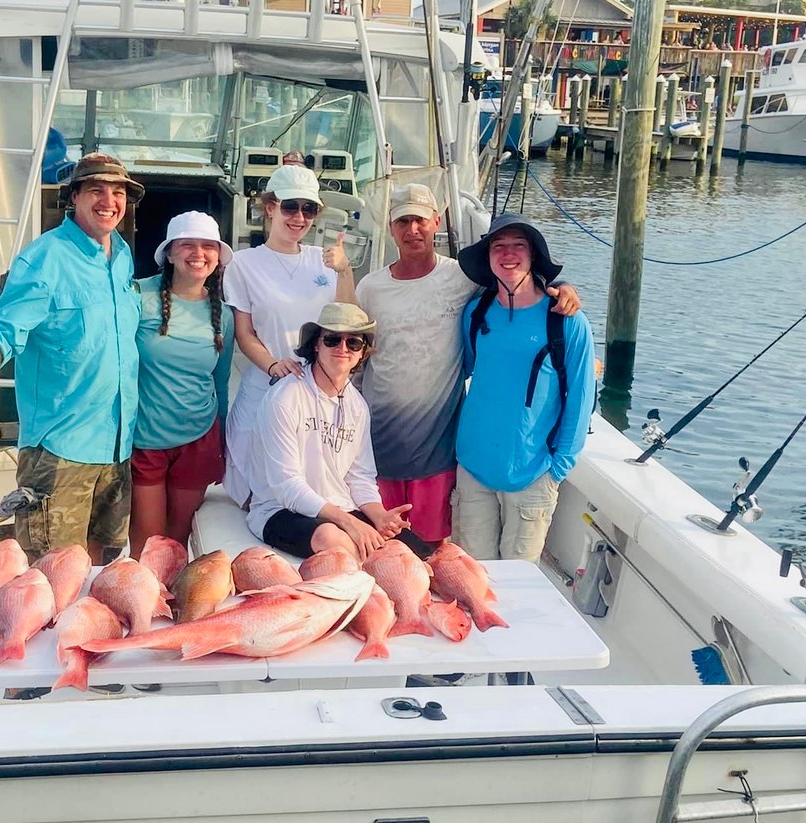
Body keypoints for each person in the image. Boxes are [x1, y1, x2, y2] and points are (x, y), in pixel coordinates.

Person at [0, 152, 143, 565]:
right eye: (95, 190)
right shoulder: (43, 260)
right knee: (52, 573)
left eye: (118, 192)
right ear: (72, 197)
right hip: (60, 452)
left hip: (117, 447)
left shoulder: (122, 255)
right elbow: (0, 336)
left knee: (101, 566)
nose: (108, 201)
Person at [355, 184, 580, 548]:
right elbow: (356, 357)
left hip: (439, 452)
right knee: (381, 550)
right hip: (377, 447)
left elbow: (516, 274)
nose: (413, 229)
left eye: (421, 220)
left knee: (433, 550)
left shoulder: (463, 278)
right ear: (391, 228)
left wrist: (561, 285)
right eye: (403, 221)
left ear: (436, 222)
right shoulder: (369, 288)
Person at [452, 214, 596, 562]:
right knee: (471, 580)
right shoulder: (475, 312)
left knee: (515, 587)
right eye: (498, 246)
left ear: (533, 256)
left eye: (519, 245)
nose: (508, 254)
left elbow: (580, 399)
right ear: (487, 258)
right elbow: (467, 366)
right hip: (473, 468)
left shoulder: (567, 320)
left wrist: (558, 468)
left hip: (533, 473)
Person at [246, 302, 423, 561]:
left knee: (420, 554)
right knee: (331, 538)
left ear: (362, 352)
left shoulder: (357, 405)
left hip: (338, 508)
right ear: (316, 344)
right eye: (332, 339)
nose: (343, 348)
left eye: (353, 343)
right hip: (278, 510)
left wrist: (378, 515)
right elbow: (286, 486)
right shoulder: (285, 397)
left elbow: (360, 476)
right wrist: (350, 524)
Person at [222, 164, 354, 506]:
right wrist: (272, 365)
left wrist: (344, 270)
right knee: (257, 492)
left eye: (308, 209)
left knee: (308, 492)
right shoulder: (244, 264)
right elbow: (245, 332)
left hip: (316, 391)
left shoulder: (324, 260)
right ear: (270, 208)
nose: (299, 217)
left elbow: (347, 320)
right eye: (290, 206)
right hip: (267, 386)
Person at [129, 212, 235, 558]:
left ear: (218, 257)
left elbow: (220, 383)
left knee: (177, 543)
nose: (198, 253)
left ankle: (172, 610)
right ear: (169, 253)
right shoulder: (137, 296)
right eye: (187, 244)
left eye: (208, 246)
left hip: (199, 437)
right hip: (145, 439)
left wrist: (221, 442)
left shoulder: (225, 314)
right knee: (147, 545)